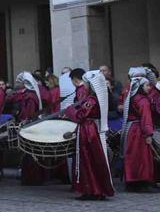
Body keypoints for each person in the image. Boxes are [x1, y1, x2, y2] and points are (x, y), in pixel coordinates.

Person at [63, 69, 115, 200]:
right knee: (92, 159)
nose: (83, 85)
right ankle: (94, 189)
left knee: (87, 159)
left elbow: (80, 116)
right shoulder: (93, 98)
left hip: (87, 130)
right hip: (90, 129)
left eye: (85, 83)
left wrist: (70, 110)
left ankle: (92, 190)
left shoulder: (91, 100)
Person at [120, 67, 156, 192]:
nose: (149, 87)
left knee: (131, 156)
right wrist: (148, 134)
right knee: (142, 158)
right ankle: (142, 182)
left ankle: (131, 181)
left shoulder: (132, 97)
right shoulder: (143, 101)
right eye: (147, 85)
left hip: (131, 130)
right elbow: (146, 118)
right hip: (139, 131)